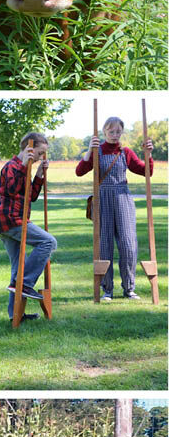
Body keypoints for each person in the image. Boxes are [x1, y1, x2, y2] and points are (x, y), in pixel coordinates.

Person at [76, 116, 154, 301]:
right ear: (104, 132)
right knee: (104, 245)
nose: (115, 135)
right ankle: (107, 290)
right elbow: (79, 171)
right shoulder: (97, 151)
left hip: (123, 199)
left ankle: (129, 288)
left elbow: (146, 172)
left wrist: (148, 154)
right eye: (111, 131)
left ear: (122, 132)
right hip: (102, 200)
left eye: (118, 131)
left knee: (129, 245)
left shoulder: (125, 152)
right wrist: (88, 151)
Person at [0, 132, 57, 321]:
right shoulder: (11, 167)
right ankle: (26, 283)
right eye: (40, 153)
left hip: (12, 221)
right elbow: (10, 191)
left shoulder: (26, 168)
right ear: (29, 149)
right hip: (11, 220)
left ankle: (16, 315)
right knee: (48, 242)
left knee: (17, 269)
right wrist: (23, 167)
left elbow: (31, 197)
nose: (40, 157)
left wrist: (38, 175)